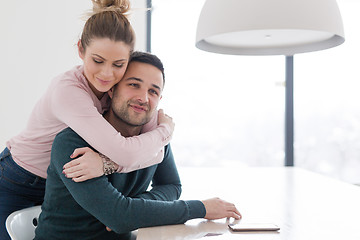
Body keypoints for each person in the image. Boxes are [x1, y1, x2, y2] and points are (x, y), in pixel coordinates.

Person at [0, 1, 174, 239]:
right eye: (98, 61)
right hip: (18, 179)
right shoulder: (69, 92)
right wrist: (165, 132)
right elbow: (130, 153)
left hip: (65, 179)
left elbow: (155, 155)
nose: (107, 74)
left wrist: (107, 163)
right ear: (81, 50)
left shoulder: (118, 94)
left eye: (118, 65)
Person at [34, 51, 241, 240]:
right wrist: (201, 208)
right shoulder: (72, 142)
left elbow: (171, 186)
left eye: (153, 91)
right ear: (112, 90)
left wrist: (137, 205)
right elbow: (119, 217)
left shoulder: (155, 140)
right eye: (134, 85)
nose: (143, 98)